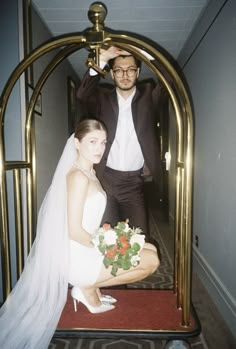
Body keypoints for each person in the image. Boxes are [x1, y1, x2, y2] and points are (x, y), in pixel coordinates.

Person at [0, 118, 160, 349]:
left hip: (89, 245)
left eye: (103, 142)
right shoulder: (77, 177)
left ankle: (91, 286)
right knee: (152, 260)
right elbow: (74, 231)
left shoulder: (91, 172)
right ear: (77, 143)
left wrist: (113, 237)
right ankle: (85, 286)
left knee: (150, 247)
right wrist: (109, 245)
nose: (99, 148)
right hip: (79, 256)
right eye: (92, 141)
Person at [77, 46, 164, 236]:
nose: (125, 75)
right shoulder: (102, 97)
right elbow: (82, 94)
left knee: (139, 240)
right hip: (105, 180)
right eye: (118, 70)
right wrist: (101, 60)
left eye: (131, 69)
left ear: (138, 72)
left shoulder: (149, 96)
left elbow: (171, 81)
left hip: (134, 184)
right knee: (105, 240)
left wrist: (146, 53)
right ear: (111, 74)